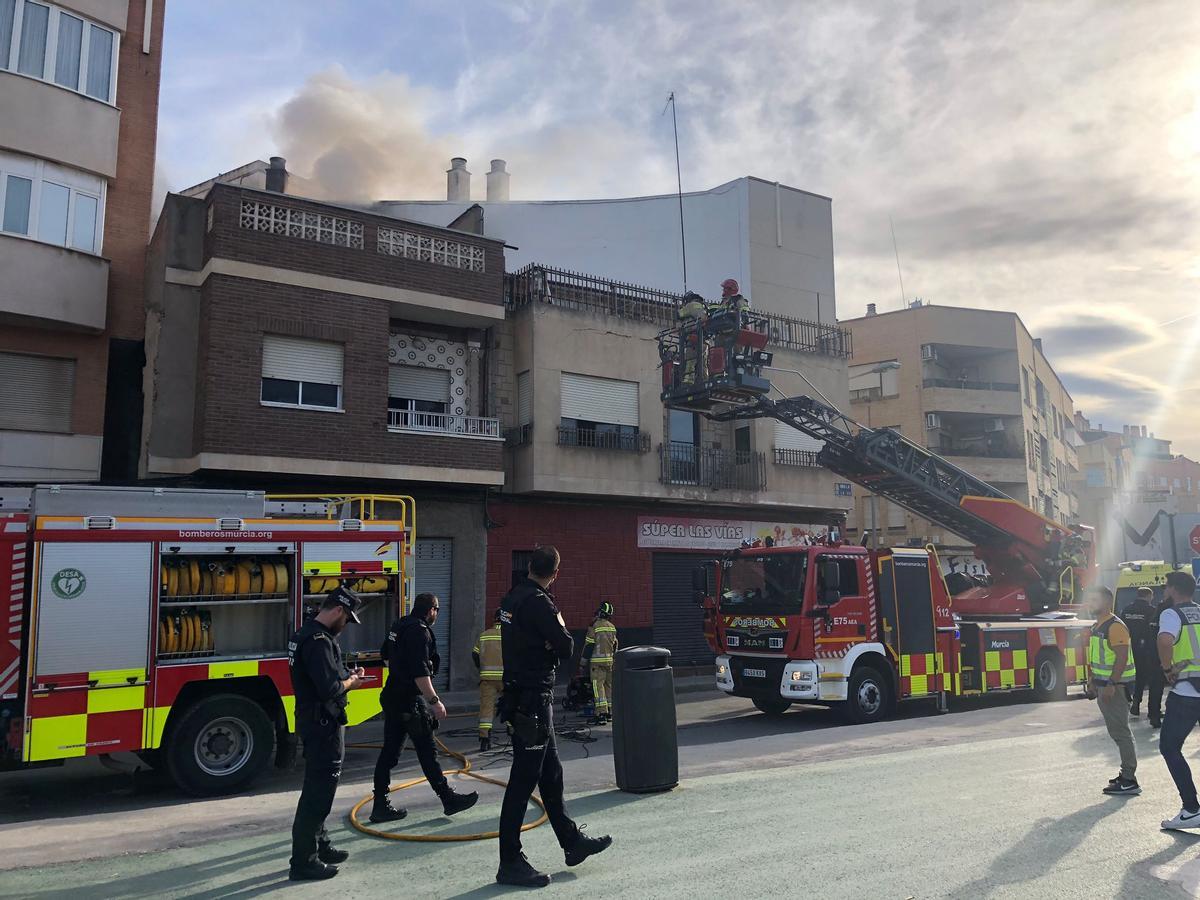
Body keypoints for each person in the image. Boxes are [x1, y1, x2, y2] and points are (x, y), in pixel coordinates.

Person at [496, 546, 612, 888]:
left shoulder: (511, 598)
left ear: (530, 566)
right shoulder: (540, 603)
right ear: (556, 574)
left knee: (551, 774)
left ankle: (571, 842)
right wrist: (550, 642)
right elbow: (565, 646)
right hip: (532, 697)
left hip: (524, 695)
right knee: (522, 781)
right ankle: (510, 862)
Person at [370, 593, 478, 824]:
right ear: (431, 610)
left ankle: (380, 805)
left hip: (393, 695)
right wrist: (434, 701)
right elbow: (421, 672)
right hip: (409, 700)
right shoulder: (420, 632)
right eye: (437, 610)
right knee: (427, 751)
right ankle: (448, 799)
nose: (437, 614)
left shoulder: (399, 625)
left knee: (390, 753)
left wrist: (400, 672)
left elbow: (385, 656)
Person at [287, 585, 366, 881]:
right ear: (338, 611)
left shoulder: (305, 633)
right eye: (347, 619)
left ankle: (320, 845)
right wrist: (352, 683)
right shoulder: (319, 641)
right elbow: (329, 688)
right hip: (323, 725)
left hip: (314, 722)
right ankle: (303, 862)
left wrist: (345, 676)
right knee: (317, 795)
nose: (346, 626)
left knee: (318, 790)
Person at [1084, 586, 1139, 796]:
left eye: (1094, 599)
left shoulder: (1115, 626)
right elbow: (1099, 658)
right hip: (1104, 686)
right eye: (1089, 599)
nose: (1090, 603)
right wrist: (1093, 681)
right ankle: (1126, 775)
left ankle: (1129, 778)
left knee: (1121, 732)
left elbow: (1121, 657)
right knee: (1117, 731)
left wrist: (1111, 684)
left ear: (1107, 602)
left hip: (1116, 688)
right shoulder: (1098, 625)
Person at [1156, 571, 1200, 830]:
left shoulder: (1172, 614)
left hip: (1186, 692)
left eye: (1166, 587)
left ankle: (1191, 809)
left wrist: (1166, 668)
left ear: (1173, 589)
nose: (1164, 592)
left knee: (1170, 747)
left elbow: (1164, 639)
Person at [1123, 587, 1159, 719]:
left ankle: (1135, 703)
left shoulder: (1127, 610)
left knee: (1135, 677)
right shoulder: (1151, 610)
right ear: (1149, 596)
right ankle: (1152, 710)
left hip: (1129, 648)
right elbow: (1155, 629)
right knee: (1152, 680)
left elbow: (1122, 628)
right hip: (1147, 649)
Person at [473, 608, 504, 752]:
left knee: (486, 709)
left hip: (487, 679)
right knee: (511, 705)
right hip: (507, 679)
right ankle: (512, 733)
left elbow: (475, 654)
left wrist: (482, 667)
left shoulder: (484, 635)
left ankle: (485, 739)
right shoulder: (511, 635)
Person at [583, 602, 618, 724]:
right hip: (609, 662)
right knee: (608, 687)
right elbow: (615, 646)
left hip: (597, 664)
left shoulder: (595, 626)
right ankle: (609, 712)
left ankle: (601, 714)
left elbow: (589, 645)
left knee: (598, 687)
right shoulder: (612, 627)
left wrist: (583, 662)